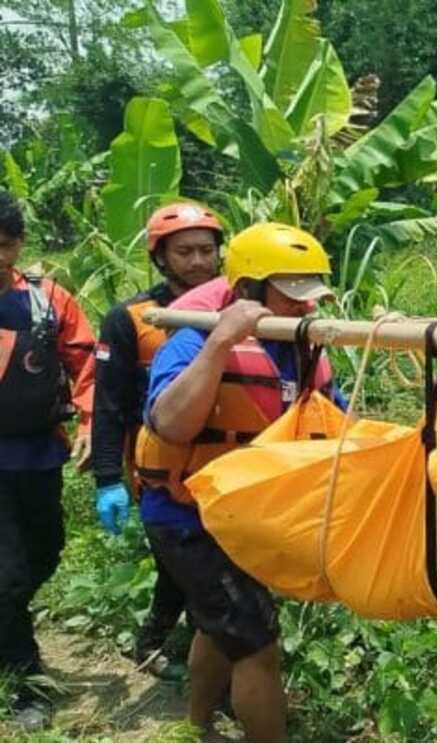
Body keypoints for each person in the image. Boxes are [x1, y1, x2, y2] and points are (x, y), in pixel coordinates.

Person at [133, 222, 345, 742]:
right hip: (188, 519)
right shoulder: (191, 343)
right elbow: (172, 424)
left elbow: (342, 428)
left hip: (248, 516)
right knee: (256, 644)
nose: (305, 308)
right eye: (291, 296)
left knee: (217, 625)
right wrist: (223, 339)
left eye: (310, 296)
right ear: (247, 292)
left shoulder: (304, 351)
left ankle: (195, 726)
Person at [91, 203, 225, 680]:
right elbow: (108, 403)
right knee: (182, 557)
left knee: (198, 560)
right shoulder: (130, 319)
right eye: (184, 252)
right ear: (160, 257)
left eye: (206, 251)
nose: (197, 262)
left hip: (224, 461)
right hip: (157, 465)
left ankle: (168, 642)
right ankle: (180, 648)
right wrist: (109, 477)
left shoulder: (239, 313)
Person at [0, 189, 96, 729]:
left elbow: (86, 365)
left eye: (4, 245)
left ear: (17, 244)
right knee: (8, 574)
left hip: (37, 452)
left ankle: (5, 619)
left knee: (47, 551)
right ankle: (26, 682)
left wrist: (89, 420)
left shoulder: (47, 300)